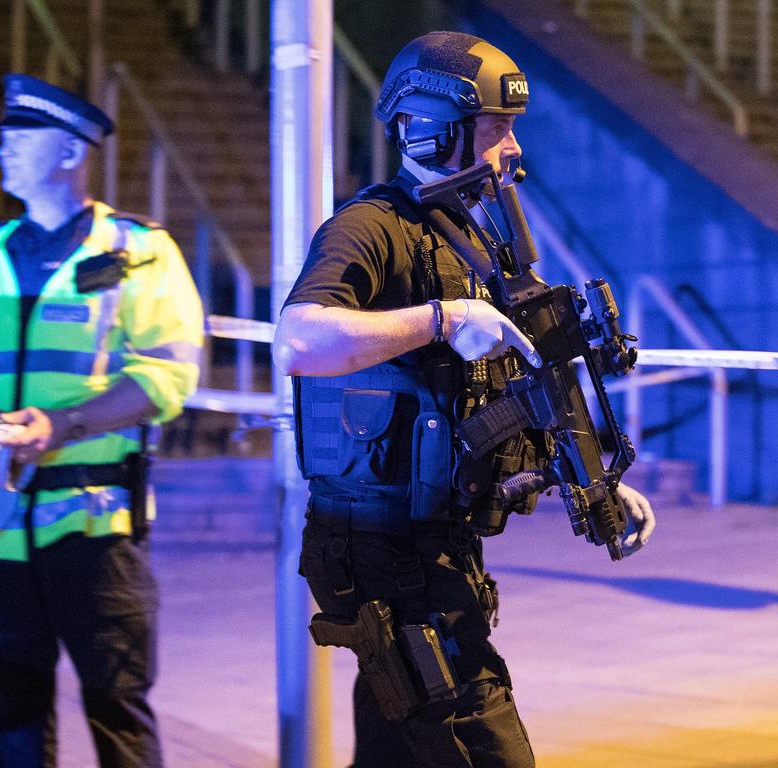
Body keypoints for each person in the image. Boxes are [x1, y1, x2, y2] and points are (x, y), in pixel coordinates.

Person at [273, 32, 656, 768]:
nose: (513, 148)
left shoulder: (471, 233)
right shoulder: (373, 226)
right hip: (383, 547)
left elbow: (515, 388)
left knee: (397, 745)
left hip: (439, 544)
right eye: (497, 127)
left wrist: (594, 479)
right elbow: (297, 340)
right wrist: (443, 320)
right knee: (483, 745)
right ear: (432, 125)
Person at [0, 74, 204, 768]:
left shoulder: (139, 252)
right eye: (4, 138)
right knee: (10, 721)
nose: (4, 151)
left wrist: (57, 425)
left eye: (21, 138)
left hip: (96, 529)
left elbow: (166, 376)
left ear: (72, 152)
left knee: (118, 712)